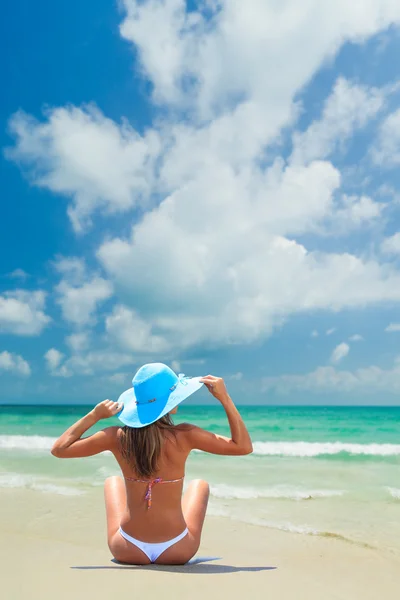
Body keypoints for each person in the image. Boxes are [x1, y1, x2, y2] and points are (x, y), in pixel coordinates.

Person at [51, 363, 253, 565]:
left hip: (127, 549)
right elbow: (243, 447)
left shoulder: (116, 436)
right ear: (169, 402)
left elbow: (59, 450)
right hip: (178, 549)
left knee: (113, 481)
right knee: (199, 484)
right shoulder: (185, 435)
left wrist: (94, 415)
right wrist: (224, 398)